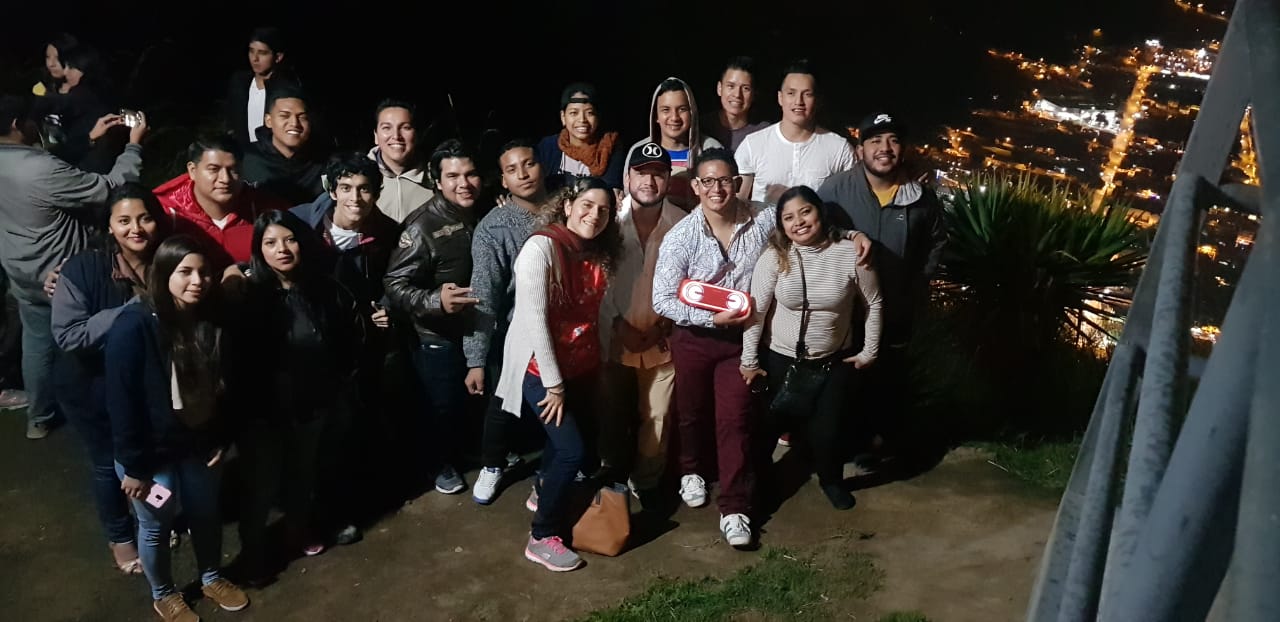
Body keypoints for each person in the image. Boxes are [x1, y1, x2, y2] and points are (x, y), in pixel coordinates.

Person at [652, 148, 871, 548]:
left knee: (736, 419)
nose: (717, 189)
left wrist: (850, 235)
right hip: (695, 337)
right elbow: (662, 299)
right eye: (708, 181)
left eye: (725, 180)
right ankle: (692, 470)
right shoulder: (680, 236)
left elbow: (805, 224)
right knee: (691, 411)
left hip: (743, 338)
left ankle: (735, 507)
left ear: (737, 182)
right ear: (696, 186)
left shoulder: (764, 217)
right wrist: (710, 319)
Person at [104, 236, 249, 622]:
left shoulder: (211, 319)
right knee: (155, 525)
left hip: (199, 442)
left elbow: (225, 386)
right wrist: (134, 467)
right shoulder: (134, 325)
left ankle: (212, 577)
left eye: (204, 272)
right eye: (185, 272)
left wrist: (222, 437)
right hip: (152, 454)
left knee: (206, 513)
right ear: (163, 274)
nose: (197, 281)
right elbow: (121, 401)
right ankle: (164, 593)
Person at [494, 176, 622, 572]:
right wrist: (554, 385)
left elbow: (595, 311)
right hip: (542, 369)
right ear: (567, 205)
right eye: (587, 205)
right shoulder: (541, 248)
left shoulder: (596, 250)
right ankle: (542, 536)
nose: (594, 215)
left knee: (563, 442)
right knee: (572, 451)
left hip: (581, 362)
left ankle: (543, 490)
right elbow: (535, 321)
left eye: (604, 210)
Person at [0, 93, 146, 439]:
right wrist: (134, 146)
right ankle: (103, 415)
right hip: (62, 273)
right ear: (19, 125)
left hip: (19, 268)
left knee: (37, 343)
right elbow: (109, 189)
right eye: (33, 121)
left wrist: (89, 140)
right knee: (89, 340)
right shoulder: (37, 169)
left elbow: (52, 170)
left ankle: (39, 417)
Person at [230, 210, 360, 579]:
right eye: (270, 242)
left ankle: (297, 530)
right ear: (259, 249)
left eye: (289, 239)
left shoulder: (322, 287)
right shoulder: (249, 295)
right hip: (268, 410)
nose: (282, 249)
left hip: (317, 401)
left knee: (306, 471)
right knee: (263, 483)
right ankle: (253, 553)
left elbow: (344, 337)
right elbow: (241, 362)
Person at [52, 183, 172, 575]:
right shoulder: (83, 269)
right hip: (90, 386)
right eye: (124, 221)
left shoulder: (167, 258)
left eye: (145, 218)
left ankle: (154, 519)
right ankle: (120, 538)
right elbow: (69, 334)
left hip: (145, 382)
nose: (136, 228)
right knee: (109, 463)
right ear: (109, 226)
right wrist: (133, 309)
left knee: (148, 455)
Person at [739, 185, 882, 510]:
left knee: (827, 432)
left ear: (820, 212)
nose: (798, 222)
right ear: (781, 225)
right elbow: (756, 311)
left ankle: (831, 480)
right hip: (780, 358)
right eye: (788, 217)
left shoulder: (851, 253)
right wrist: (749, 360)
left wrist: (869, 351)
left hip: (833, 360)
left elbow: (873, 303)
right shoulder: (775, 256)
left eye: (805, 212)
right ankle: (759, 481)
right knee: (767, 428)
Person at [817, 113, 947, 455]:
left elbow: (936, 242)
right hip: (844, 309)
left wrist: (917, 284)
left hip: (894, 309)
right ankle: (834, 445)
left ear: (903, 149)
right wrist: (849, 235)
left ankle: (874, 441)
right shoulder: (835, 190)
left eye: (892, 140)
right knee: (839, 381)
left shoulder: (920, 198)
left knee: (885, 378)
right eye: (875, 141)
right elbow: (816, 234)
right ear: (860, 150)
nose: (884, 148)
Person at [290, 152, 400, 544]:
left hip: (355, 351)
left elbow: (395, 281)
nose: (356, 198)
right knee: (305, 442)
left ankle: (341, 511)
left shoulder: (386, 235)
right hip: (305, 350)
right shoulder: (300, 225)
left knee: (346, 433)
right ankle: (303, 519)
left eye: (365, 189)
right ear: (332, 190)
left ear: (377, 193)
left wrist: (386, 307)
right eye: (346, 188)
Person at [383, 139, 481, 495]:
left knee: (468, 403)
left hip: (474, 330)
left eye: (470, 174)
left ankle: (463, 452)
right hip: (435, 337)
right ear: (437, 181)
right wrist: (435, 300)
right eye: (452, 176)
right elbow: (394, 284)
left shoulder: (482, 211)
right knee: (440, 407)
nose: (463, 183)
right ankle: (438, 465)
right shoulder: (422, 226)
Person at [599, 142, 686, 507]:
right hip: (612, 337)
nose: (649, 181)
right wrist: (619, 327)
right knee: (611, 416)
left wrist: (661, 326)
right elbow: (596, 281)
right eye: (641, 173)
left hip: (661, 338)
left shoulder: (683, 224)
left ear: (668, 179)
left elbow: (690, 283)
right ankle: (609, 483)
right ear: (627, 178)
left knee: (658, 417)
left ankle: (648, 484)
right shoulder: (606, 221)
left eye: (658, 174)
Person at [467, 138, 549, 505]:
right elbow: (484, 293)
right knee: (503, 401)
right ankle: (492, 464)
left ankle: (554, 469)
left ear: (542, 165)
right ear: (503, 180)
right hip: (518, 329)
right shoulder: (494, 227)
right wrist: (475, 358)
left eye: (528, 164)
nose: (523, 174)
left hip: (567, 324)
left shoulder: (568, 206)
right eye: (512, 169)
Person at [154, 135, 288, 271]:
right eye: (214, 169)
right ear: (192, 170)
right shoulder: (164, 210)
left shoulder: (265, 209)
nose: (225, 179)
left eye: (233, 170)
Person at [735, 59, 855, 206]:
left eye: (807, 94)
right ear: (780, 97)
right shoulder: (753, 144)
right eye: (791, 93)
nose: (799, 101)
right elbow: (737, 204)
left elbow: (852, 200)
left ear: (817, 100)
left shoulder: (839, 148)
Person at [624, 77, 723, 210]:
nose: (674, 117)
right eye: (666, 110)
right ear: (656, 115)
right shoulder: (640, 151)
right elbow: (629, 197)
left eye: (682, 109)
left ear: (692, 112)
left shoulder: (711, 149)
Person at [241, 84, 326, 205]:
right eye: (285, 116)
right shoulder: (247, 159)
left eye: (302, 117)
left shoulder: (324, 161)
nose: (294, 123)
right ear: (268, 121)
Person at [535, 83, 626, 191]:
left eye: (590, 113)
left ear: (598, 117)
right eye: (574, 113)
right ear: (563, 117)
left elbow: (611, 190)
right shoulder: (548, 146)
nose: (582, 120)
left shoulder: (609, 147)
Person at [225, 27, 301, 149]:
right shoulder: (239, 82)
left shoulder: (287, 89)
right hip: (244, 153)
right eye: (251, 51)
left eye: (262, 53)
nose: (254, 58)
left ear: (278, 57)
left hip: (273, 154)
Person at [368, 99, 434, 223]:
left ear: (416, 135)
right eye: (386, 128)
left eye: (405, 127)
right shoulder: (358, 177)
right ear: (376, 136)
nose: (396, 136)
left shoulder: (436, 177)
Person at [702, 56, 770, 152]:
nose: (737, 95)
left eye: (746, 88)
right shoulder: (702, 126)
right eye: (731, 86)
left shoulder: (764, 132)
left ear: (754, 94)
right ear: (719, 88)